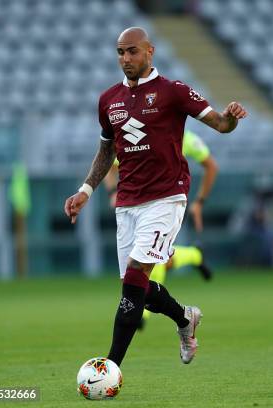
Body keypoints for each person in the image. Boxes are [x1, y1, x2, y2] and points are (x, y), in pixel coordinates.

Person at [63, 27, 247, 367]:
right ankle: (185, 319)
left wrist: (232, 117)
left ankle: (110, 367)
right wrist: (86, 190)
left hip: (167, 197)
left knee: (134, 281)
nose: (125, 59)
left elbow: (220, 124)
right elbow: (106, 151)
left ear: (150, 51)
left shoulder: (173, 92)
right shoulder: (109, 100)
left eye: (132, 51)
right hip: (127, 203)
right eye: (120, 52)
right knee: (139, 291)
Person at [104, 129, 217, 330]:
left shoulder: (186, 138)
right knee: (162, 260)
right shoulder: (140, 135)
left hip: (168, 205)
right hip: (136, 206)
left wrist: (200, 202)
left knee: (147, 259)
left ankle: (143, 314)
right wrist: (113, 192)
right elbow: (111, 163)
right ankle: (194, 255)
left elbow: (211, 166)